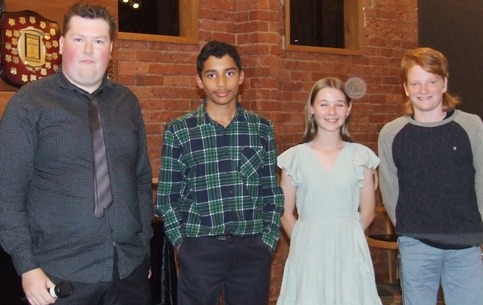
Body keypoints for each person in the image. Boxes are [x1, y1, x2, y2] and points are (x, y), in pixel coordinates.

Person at [0, 3, 153, 305]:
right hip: (59, 275)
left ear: (110, 48)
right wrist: (27, 265)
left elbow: (140, 178)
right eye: (78, 39)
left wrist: (144, 244)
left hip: (128, 272)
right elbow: (8, 195)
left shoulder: (127, 103)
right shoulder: (28, 105)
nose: (88, 50)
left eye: (98, 41)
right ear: (60, 45)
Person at [156, 40, 284, 305]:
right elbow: (167, 198)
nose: (221, 83)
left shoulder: (261, 129)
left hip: (252, 250)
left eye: (229, 73)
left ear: (241, 77)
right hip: (200, 248)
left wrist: (267, 241)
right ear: (199, 81)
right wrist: (184, 247)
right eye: (211, 75)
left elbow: (271, 192)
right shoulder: (180, 130)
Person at [378, 47, 483, 305]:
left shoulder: (471, 126)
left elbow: (482, 180)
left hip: (465, 245)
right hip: (416, 246)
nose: (423, 90)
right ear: (406, 88)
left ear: (444, 83)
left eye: (431, 81)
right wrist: (407, 230)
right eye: (416, 83)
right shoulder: (392, 133)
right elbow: (390, 188)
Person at [276, 77, 382, 305]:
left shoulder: (361, 157)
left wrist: (344, 237)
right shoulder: (295, 158)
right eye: (324, 104)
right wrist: (308, 239)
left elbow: (368, 211)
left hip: (349, 250)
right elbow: (285, 212)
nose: (331, 111)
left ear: (348, 109)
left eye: (339, 104)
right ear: (312, 109)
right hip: (308, 252)